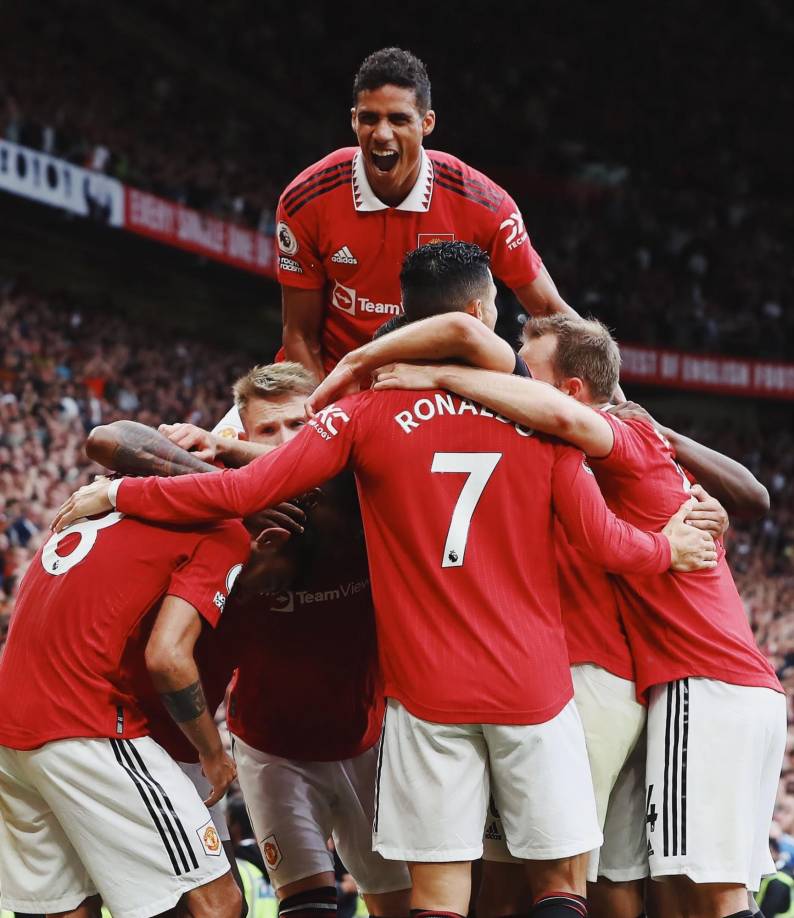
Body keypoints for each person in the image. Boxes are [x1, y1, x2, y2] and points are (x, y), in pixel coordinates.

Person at [52, 247, 716, 918]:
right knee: (560, 883)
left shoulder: (359, 419)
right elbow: (604, 540)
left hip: (423, 696)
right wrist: (669, 548)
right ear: (482, 314)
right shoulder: (539, 418)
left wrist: (126, 494)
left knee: (437, 894)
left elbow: (242, 487)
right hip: (532, 685)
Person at [370, 313, 784, 918]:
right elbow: (746, 496)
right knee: (642, 886)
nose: (511, 377)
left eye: (524, 370)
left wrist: (435, 377)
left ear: (571, 393)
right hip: (657, 684)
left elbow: (750, 495)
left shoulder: (598, 443)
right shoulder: (608, 455)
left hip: (674, 680)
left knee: (554, 876)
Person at [87, 362, 412, 918]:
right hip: (269, 747)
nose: (287, 442)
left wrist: (232, 457)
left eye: (299, 426)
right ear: (243, 436)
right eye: (268, 431)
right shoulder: (226, 510)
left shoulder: (361, 497)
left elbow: (326, 469)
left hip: (369, 742)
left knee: (399, 907)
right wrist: (217, 474)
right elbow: (105, 439)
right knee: (307, 906)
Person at [0, 491, 250, 917]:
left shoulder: (89, 510)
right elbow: (168, 659)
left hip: (11, 735)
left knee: (67, 907)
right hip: (86, 724)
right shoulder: (223, 528)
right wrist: (214, 754)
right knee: (218, 901)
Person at [276, 46, 575, 382]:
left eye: (399, 119)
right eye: (369, 118)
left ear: (426, 123)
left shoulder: (485, 205)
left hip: (436, 391)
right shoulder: (306, 198)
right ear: (353, 119)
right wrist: (328, 417)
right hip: (334, 383)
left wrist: (613, 404)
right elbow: (300, 335)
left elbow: (549, 312)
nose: (382, 133)